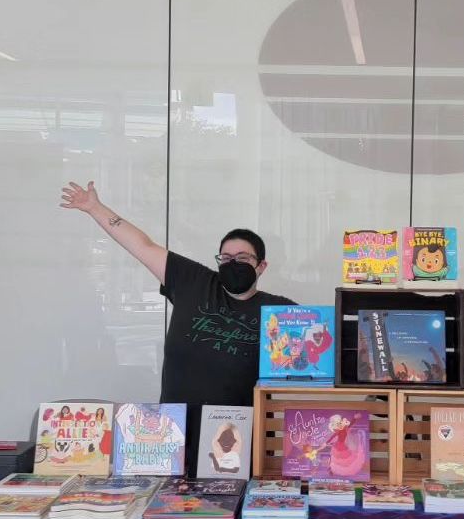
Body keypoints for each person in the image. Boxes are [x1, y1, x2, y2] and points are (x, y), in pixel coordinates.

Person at [59, 179, 295, 423]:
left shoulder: (280, 311)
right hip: (172, 430)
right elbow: (141, 245)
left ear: (261, 266)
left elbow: (311, 361)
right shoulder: (193, 282)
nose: (233, 264)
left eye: (243, 258)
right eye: (226, 258)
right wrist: (94, 207)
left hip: (238, 438)